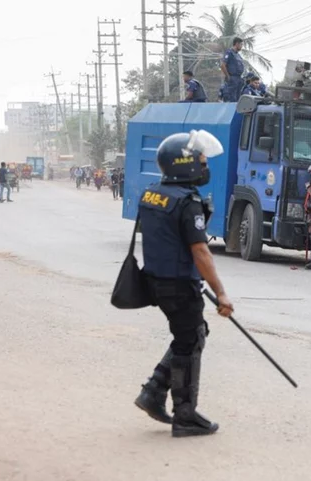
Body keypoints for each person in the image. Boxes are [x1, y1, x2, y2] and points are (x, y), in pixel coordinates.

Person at [133, 129, 233, 437]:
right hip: (178, 284)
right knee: (189, 342)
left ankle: (153, 392)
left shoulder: (152, 193)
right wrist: (221, 293)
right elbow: (201, 252)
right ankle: (185, 415)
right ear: (184, 164)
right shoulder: (187, 202)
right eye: (201, 161)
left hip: (158, 281)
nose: (205, 167)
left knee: (191, 335)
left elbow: (165, 240)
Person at [220, 37, 245, 102]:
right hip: (232, 78)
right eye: (241, 44)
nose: (242, 46)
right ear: (237, 44)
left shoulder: (238, 55)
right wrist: (228, 76)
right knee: (231, 98)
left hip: (238, 79)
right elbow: (223, 65)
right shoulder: (229, 52)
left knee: (238, 100)